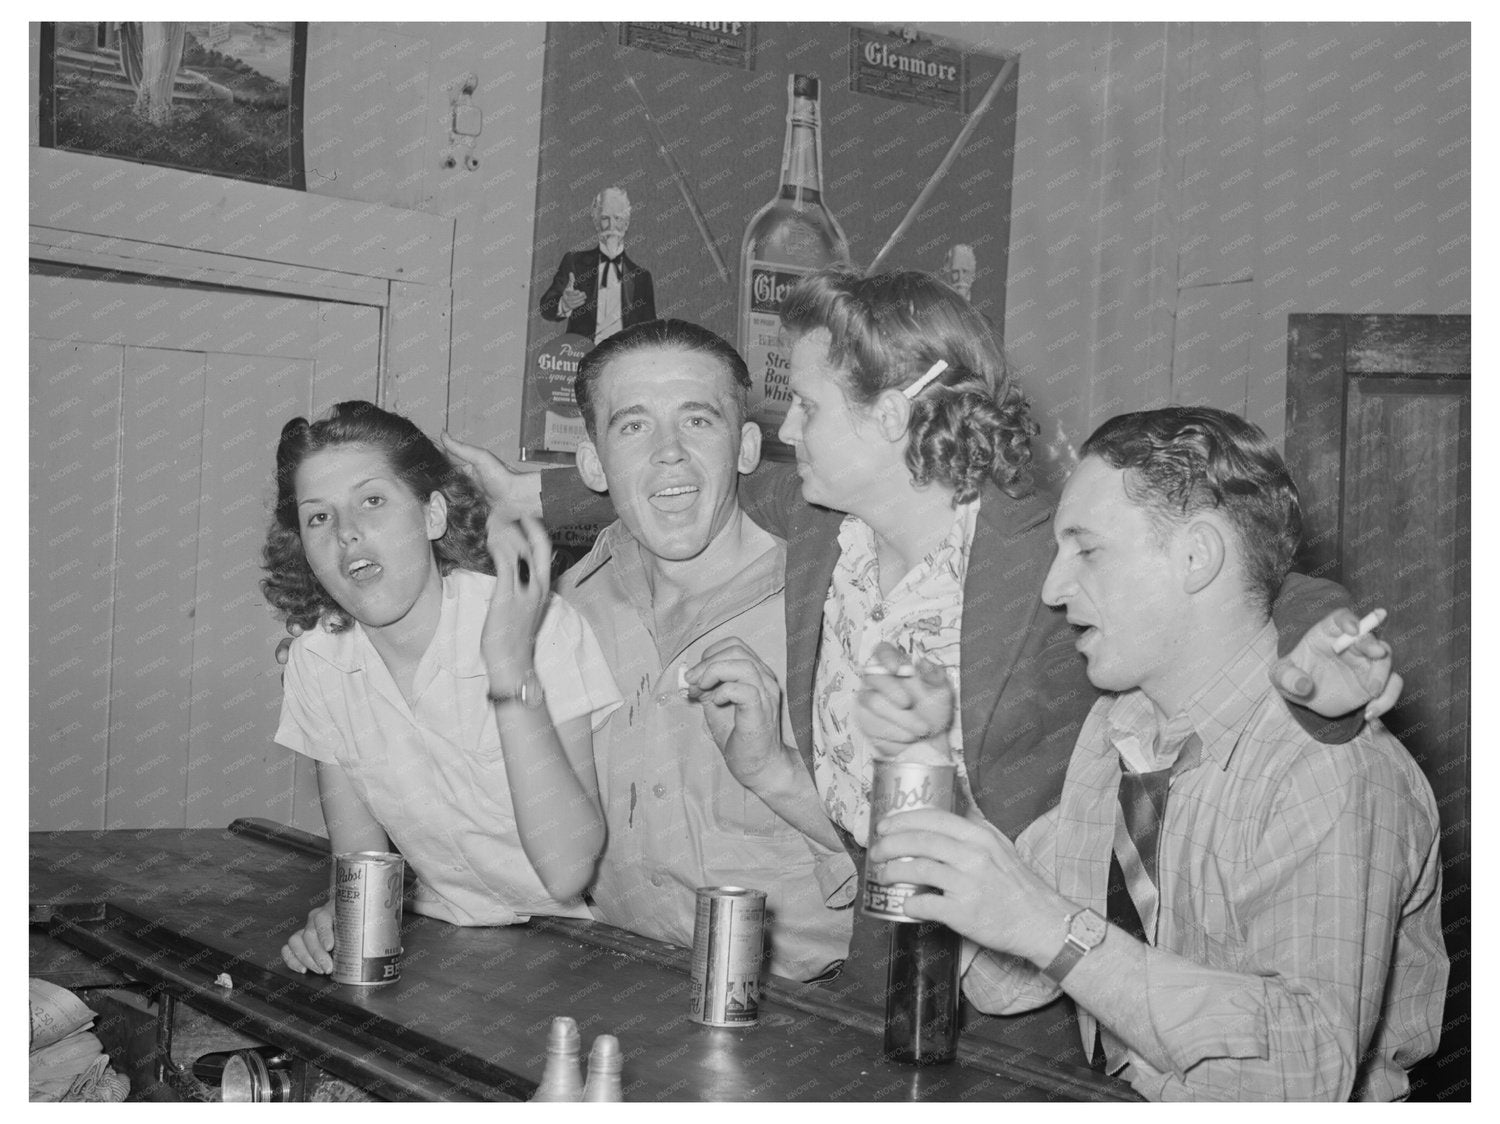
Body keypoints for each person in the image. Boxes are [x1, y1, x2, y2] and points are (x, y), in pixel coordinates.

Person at [445, 270, 1397, 1053]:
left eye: (807, 407)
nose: (783, 431)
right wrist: (521, 494)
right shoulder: (823, 523)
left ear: (893, 416)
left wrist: (1325, 634)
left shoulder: (1036, 538)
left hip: (1042, 993)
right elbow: (676, 484)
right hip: (877, 968)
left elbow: (1209, 561)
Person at [867, 407, 1446, 1100]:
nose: (1052, 590)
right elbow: (1005, 979)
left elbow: (1300, 1079)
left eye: (1086, 549)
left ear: (1197, 557)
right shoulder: (1121, 729)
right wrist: (929, 760)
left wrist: (1052, 928)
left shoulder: (1329, 766)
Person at [530, 318, 852, 982]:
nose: (669, 452)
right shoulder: (563, 615)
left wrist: (781, 773)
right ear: (593, 463)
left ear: (745, 447)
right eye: (634, 426)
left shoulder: (838, 609)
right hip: (617, 984)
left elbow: (917, 862)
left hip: (803, 1014)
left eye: (698, 421)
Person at [264, 401, 620, 974]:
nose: (347, 532)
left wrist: (509, 672)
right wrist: (343, 907)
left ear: (432, 517)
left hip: (596, 946)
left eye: (372, 500)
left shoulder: (539, 625)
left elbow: (568, 871)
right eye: (318, 517)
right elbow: (362, 858)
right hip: (454, 940)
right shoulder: (319, 660)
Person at [539, 186, 657, 343]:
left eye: (618, 218)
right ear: (595, 222)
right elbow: (546, 307)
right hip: (580, 358)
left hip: (622, 362)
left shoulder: (641, 277)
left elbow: (651, 334)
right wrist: (564, 304)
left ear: (627, 224)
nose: (611, 226)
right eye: (605, 218)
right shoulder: (574, 262)